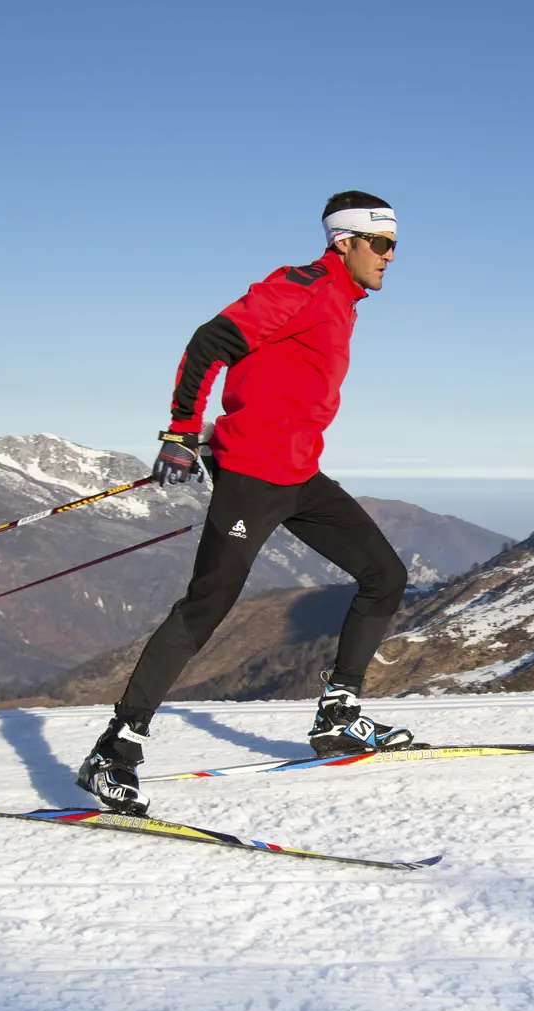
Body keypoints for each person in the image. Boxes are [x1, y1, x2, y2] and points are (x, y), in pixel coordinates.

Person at [76, 190, 417, 816]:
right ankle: (114, 752)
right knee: (207, 606)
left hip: (299, 477)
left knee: (385, 576)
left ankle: (339, 715)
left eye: (396, 244)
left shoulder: (342, 301)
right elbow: (211, 341)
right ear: (345, 241)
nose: (392, 256)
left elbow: (272, 380)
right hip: (252, 481)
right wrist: (183, 431)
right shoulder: (304, 286)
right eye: (383, 243)